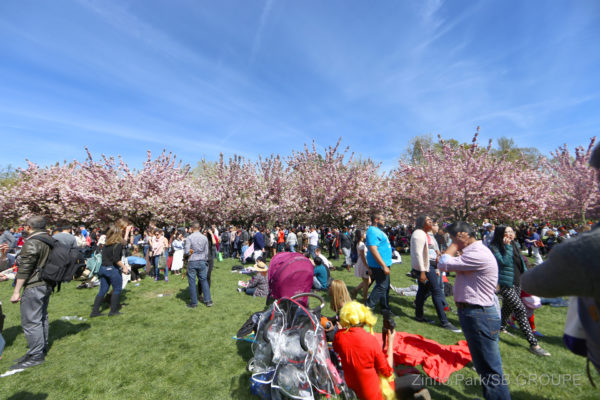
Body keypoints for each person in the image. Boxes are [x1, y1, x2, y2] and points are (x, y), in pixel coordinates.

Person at [438, 221, 511, 400]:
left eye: (452, 238)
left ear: (462, 235)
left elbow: (443, 263)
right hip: (478, 313)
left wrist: (454, 246)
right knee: (485, 365)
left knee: (489, 368)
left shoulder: (477, 254)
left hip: (479, 314)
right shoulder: (474, 252)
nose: (450, 243)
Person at [490, 225, 550, 357]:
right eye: (507, 232)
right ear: (500, 235)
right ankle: (534, 344)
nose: (510, 234)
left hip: (517, 281)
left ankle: (501, 327)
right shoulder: (495, 247)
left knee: (508, 306)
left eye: (511, 231)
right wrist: (507, 247)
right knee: (520, 309)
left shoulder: (515, 244)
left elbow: (520, 263)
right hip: (505, 284)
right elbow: (504, 262)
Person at [8, 216, 55, 370]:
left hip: (35, 284)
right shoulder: (48, 239)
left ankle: (36, 355)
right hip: (46, 282)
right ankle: (39, 348)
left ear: (28, 227)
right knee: (41, 317)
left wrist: (16, 291)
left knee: (31, 320)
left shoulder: (33, 242)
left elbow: (25, 269)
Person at [333, 301, 395, 400]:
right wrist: (390, 342)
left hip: (353, 389)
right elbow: (387, 372)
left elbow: (336, 347)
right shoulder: (370, 340)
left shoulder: (339, 337)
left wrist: (341, 330)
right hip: (373, 395)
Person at [411, 215, 460, 332]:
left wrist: (438, 255)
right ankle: (444, 322)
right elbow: (418, 254)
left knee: (423, 291)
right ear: (422, 222)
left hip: (429, 266)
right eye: (428, 220)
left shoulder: (425, 234)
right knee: (437, 292)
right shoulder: (418, 234)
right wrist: (423, 272)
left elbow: (431, 248)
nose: (431, 222)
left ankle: (419, 316)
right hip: (426, 268)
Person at [90, 222, 131, 318]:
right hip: (112, 269)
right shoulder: (118, 245)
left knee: (102, 290)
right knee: (117, 289)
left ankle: (94, 311)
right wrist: (124, 267)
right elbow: (116, 259)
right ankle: (113, 311)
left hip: (103, 269)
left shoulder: (106, 244)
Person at [365, 212, 393, 314]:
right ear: (376, 220)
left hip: (384, 263)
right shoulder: (372, 231)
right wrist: (383, 265)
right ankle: (368, 308)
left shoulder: (378, 231)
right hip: (379, 265)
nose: (384, 221)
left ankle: (385, 308)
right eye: (382, 219)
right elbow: (373, 249)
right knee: (381, 286)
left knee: (385, 287)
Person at [184, 223, 212, 308]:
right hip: (202, 260)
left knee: (192, 282)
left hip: (192, 261)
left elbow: (186, 252)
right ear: (199, 228)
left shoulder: (189, 238)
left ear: (192, 228)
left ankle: (194, 303)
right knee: (204, 280)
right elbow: (206, 252)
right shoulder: (204, 238)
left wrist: (191, 252)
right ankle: (208, 301)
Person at [350, 230, 371, 301]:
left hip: (361, 262)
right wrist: (367, 267)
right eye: (365, 233)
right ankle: (365, 298)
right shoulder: (361, 244)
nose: (366, 235)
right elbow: (362, 256)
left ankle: (355, 290)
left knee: (368, 281)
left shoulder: (359, 243)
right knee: (366, 282)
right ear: (362, 235)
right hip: (363, 263)